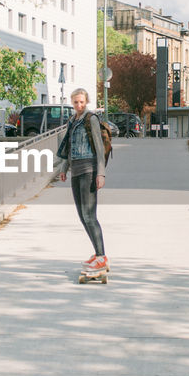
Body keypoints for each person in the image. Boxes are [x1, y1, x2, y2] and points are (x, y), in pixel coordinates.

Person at [57, 87, 108, 274]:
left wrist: (100, 174)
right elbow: (69, 147)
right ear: (72, 102)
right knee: (82, 216)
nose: (79, 105)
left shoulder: (90, 119)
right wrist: (64, 168)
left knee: (89, 215)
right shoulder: (73, 121)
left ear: (86, 101)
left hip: (89, 170)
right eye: (76, 102)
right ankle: (97, 254)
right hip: (75, 171)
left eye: (82, 101)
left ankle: (101, 257)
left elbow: (99, 147)